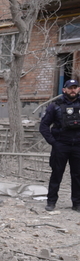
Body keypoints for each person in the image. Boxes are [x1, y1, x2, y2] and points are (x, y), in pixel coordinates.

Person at [39, 79, 80, 212]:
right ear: (64, 90)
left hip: (78, 146)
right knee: (56, 174)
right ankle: (51, 201)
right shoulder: (55, 105)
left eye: (75, 87)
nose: (73, 90)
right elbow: (44, 125)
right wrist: (53, 142)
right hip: (61, 145)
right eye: (70, 88)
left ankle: (77, 203)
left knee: (77, 175)